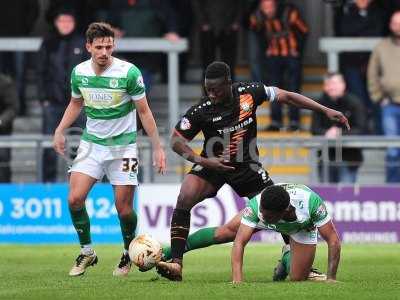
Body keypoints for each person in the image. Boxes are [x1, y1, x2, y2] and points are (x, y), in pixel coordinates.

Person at [156, 61, 349, 281]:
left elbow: (287, 96)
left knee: (277, 205)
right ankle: (176, 263)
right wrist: (206, 162)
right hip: (213, 163)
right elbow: (175, 142)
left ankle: (298, 260)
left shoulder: (250, 92)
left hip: (247, 167)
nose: (211, 94)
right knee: (185, 196)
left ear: (229, 83)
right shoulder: (202, 110)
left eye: (216, 90)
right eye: (207, 89)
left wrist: (324, 110)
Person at [52, 22, 166, 277]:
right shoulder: (79, 72)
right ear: (88, 47)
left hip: (123, 148)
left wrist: (158, 147)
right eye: (99, 47)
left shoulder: (129, 73)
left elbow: (145, 112)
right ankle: (87, 251)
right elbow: (75, 103)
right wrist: (60, 130)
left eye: (109, 46)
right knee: (74, 199)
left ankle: (128, 252)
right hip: (91, 144)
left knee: (124, 209)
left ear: (113, 46)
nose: (104, 51)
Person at [231, 184, 341, 283]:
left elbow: (333, 240)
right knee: (226, 232)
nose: (262, 216)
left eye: (267, 216)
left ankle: (286, 257)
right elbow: (239, 242)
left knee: (298, 278)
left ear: (285, 211)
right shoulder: (256, 206)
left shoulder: (311, 203)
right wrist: (237, 280)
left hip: (302, 227)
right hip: (273, 220)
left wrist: (331, 278)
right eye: (261, 211)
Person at [38, 8, 89, 182]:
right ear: (56, 23)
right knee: (49, 145)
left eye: (69, 21)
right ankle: (47, 183)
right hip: (53, 102)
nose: (65, 25)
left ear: (74, 23)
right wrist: (44, 98)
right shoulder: (48, 43)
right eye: (62, 21)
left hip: (79, 104)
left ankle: (78, 182)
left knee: (81, 146)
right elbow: (41, 72)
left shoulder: (83, 43)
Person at [249, 0, 308, 131]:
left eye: (270, 7)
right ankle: (276, 121)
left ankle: (294, 121)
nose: (267, 10)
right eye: (264, 7)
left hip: (292, 55)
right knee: (273, 89)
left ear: (275, 5)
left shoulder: (290, 12)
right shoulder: (258, 16)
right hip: (273, 56)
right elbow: (255, 31)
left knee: (293, 88)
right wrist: (266, 50)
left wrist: (298, 51)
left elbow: (304, 30)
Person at [311, 73, 366, 183]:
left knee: (346, 196)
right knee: (325, 196)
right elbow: (314, 129)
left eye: (335, 83)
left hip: (349, 158)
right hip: (326, 158)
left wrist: (339, 133)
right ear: (324, 87)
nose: (331, 87)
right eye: (328, 84)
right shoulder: (318, 104)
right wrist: (327, 133)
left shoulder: (355, 102)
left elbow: (361, 129)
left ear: (343, 85)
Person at [368, 11, 400, 182]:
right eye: (396, 23)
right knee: (393, 150)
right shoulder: (382, 47)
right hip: (391, 105)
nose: (398, 27)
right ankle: (394, 191)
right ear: (390, 25)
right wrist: (378, 97)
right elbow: (372, 74)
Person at [0, 74, 19, 182]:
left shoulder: (5, 82)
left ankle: (3, 193)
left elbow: (13, 108)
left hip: (2, 133)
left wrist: (1, 121)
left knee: (3, 163)